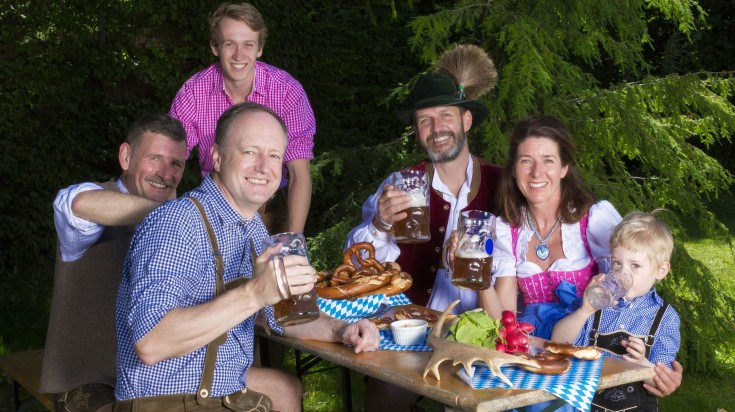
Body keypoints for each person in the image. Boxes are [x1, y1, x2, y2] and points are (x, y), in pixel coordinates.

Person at [114, 102, 379, 411]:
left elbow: (283, 318)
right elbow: (151, 342)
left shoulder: (254, 230)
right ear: (217, 157)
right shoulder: (178, 222)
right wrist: (255, 294)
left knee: (288, 389)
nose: (264, 167)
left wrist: (342, 329)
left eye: (275, 156)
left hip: (224, 396)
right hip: (167, 403)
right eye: (250, 152)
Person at [40, 113, 188, 412]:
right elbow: (78, 204)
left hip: (160, 379)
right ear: (126, 157)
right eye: (154, 158)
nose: (165, 173)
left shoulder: (180, 215)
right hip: (91, 381)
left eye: (176, 164)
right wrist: (174, 217)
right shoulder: (95, 197)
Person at [346, 44, 502, 316]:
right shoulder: (399, 184)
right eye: (425, 121)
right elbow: (358, 270)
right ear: (417, 131)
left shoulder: (503, 184)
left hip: (484, 330)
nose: (437, 128)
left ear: (466, 120)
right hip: (410, 325)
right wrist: (380, 223)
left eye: (445, 116)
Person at [170, 2, 315, 234]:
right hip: (215, 204)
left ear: (260, 48)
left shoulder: (287, 92)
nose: (239, 55)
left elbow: (299, 173)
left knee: (276, 267)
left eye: (248, 44)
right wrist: (169, 222)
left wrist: (293, 240)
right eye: (230, 44)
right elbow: (171, 160)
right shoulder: (193, 92)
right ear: (215, 47)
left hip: (271, 207)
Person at [477, 115, 623, 338]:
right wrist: (480, 280)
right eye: (526, 160)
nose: (536, 172)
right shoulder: (508, 231)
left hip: (594, 349)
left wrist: (650, 361)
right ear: (514, 169)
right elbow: (503, 324)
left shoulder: (594, 220)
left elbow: (634, 285)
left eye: (548, 160)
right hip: (534, 354)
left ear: (564, 168)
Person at [552, 211, 681, 411]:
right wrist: (585, 311)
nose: (622, 273)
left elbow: (660, 383)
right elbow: (558, 342)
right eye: (617, 263)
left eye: (635, 265)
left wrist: (641, 363)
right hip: (588, 405)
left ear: (660, 271)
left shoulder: (665, 318)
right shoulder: (596, 303)